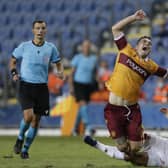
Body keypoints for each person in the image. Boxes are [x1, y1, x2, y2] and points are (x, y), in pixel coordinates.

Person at [104, 9, 168, 158]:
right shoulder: (125, 50)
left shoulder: (151, 66)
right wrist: (133, 18)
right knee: (122, 148)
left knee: (135, 148)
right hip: (113, 108)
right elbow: (115, 28)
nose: (147, 44)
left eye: (150, 44)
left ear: (150, 50)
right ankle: (127, 139)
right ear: (137, 45)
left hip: (132, 109)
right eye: (144, 42)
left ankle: (137, 136)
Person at [9, 20, 64, 159]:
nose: (40, 31)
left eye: (43, 28)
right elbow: (13, 59)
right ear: (33, 30)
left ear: (46, 31)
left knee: (36, 121)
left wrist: (60, 71)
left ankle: (25, 150)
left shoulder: (51, 48)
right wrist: (14, 73)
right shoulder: (24, 46)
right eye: (37, 28)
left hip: (41, 88)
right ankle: (20, 138)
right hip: (26, 85)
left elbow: (58, 62)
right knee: (28, 117)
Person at [84, 132, 168, 167]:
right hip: (163, 143)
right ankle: (120, 133)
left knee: (130, 157)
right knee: (138, 136)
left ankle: (97, 145)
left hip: (164, 159)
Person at [69, 40, 98, 136]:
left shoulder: (94, 59)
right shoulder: (77, 58)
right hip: (78, 84)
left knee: (82, 107)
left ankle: (75, 129)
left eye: (88, 46)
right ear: (82, 47)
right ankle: (89, 127)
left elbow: (95, 72)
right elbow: (71, 74)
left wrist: (98, 82)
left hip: (88, 85)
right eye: (85, 46)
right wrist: (71, 87)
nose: (86, 48)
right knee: (83, 104)